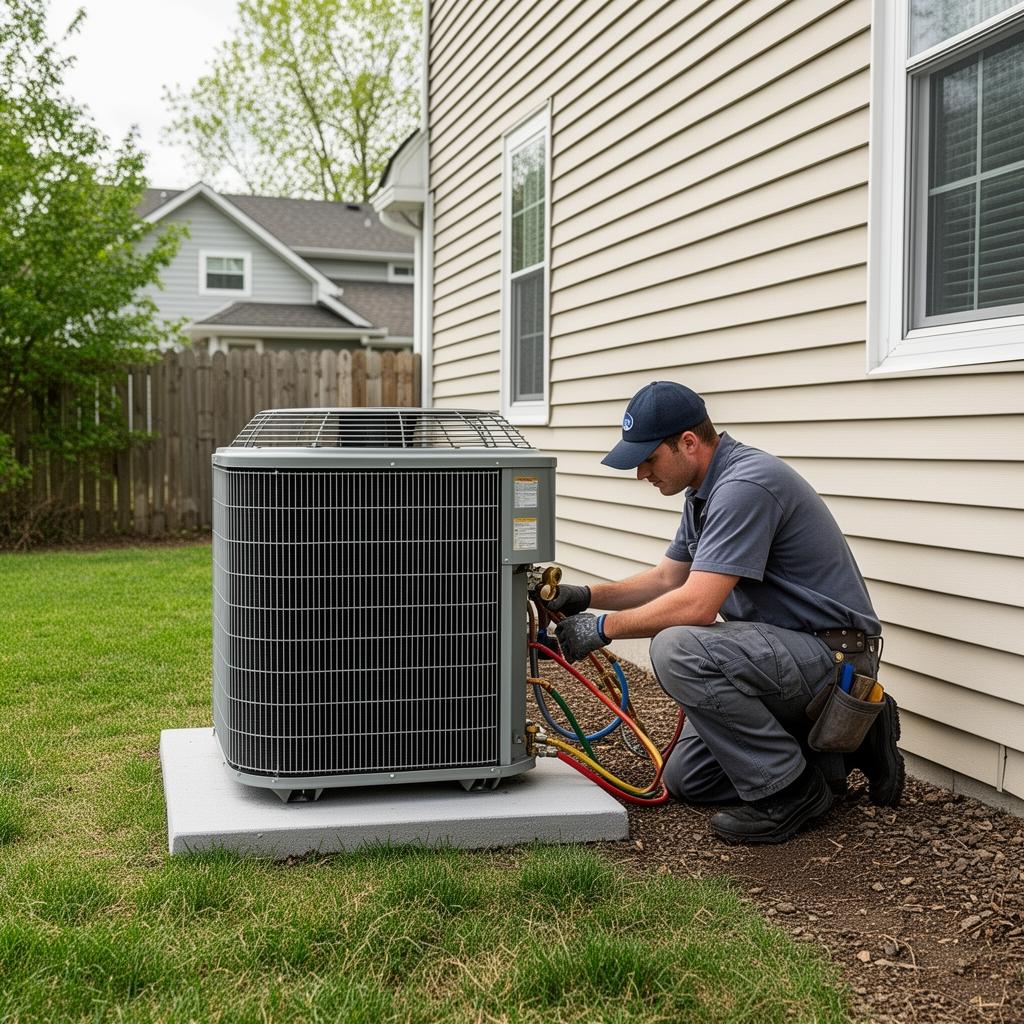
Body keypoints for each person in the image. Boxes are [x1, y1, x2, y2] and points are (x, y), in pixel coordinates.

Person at [549, 381, 904, 844]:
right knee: (689, 779)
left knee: (679, 648)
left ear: (689, 443)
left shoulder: (745, 485)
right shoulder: (703, 491)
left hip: (831, 655)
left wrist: (602, 629)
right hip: (786, 653)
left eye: (648, 458)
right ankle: (842, 749)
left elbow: (696, 605)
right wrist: (583, 596)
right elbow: (666, 580)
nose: (640, 473)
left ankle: (794, 792)